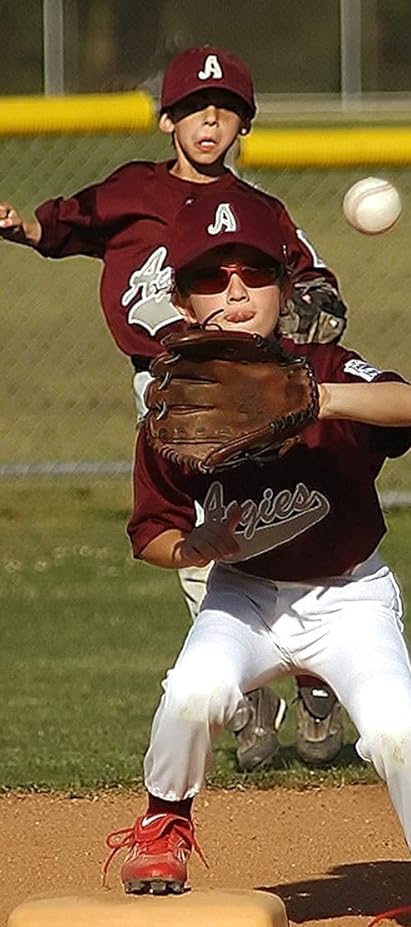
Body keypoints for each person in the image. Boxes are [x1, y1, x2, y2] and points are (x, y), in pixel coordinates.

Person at [102, 186, 411, 927]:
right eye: (212, 279)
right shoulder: (178, 399)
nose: (236, 294)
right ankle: (164, 824)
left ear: (285, 288)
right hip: (245, 597)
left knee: (398, 731)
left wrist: (320, 398)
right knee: (193, 691)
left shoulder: (324, 368)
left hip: (349, 599)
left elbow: (407, 404)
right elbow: (151, 529)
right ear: (182, 301)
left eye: (254, 275)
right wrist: (192, 550)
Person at [0, 46, 345, 771]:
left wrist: (317, 301)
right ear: (167, 121)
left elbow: (312, 277)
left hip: (250, 390)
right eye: (193, 109)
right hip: (162, 389)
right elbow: (65, 225)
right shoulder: (131, 191)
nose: (209, 122)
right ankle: (250, 693)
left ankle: (317, 679)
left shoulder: (260, 211)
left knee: (278, 525)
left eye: (225, 111)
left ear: (245, 126)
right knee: (196, 544)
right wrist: (24, 229)